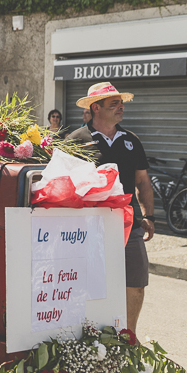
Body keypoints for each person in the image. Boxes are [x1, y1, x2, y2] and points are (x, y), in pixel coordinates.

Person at [67, 82, 155, 334]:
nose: (121, 107)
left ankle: (129, 337)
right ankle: (90, 337)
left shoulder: (131, 140)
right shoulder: (75, 141)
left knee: (136, 283)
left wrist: (148, 215)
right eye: (114, 104)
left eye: (121, 103)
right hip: (89, 227)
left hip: (129, 224)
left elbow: (142, 182)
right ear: (96, 108)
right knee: (91, 285)